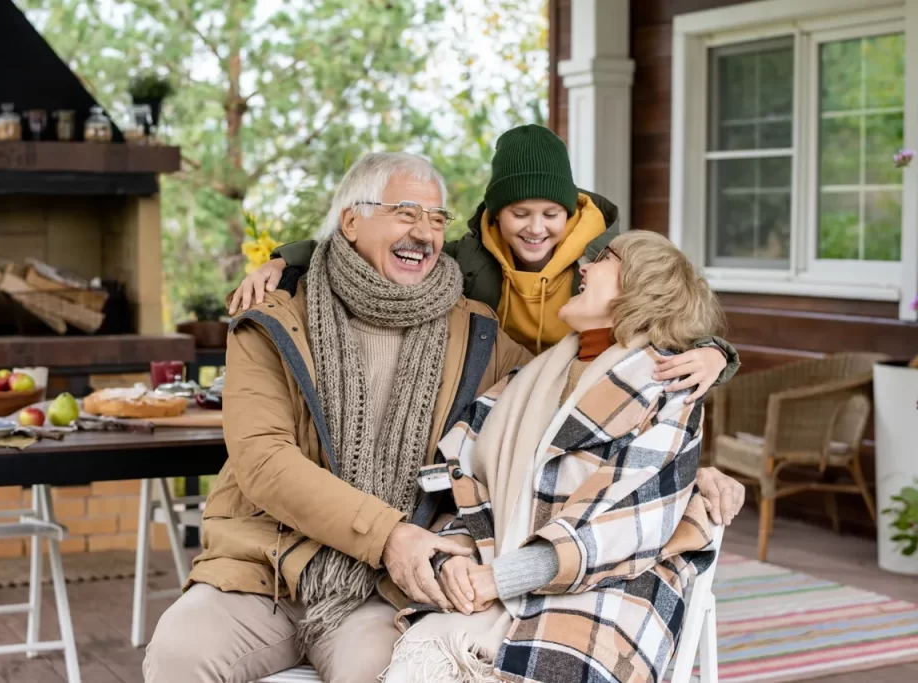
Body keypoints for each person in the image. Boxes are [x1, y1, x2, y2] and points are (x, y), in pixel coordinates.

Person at [144, 153, 744, 683]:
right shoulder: (274, 322)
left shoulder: (476, 332)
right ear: (351, 221)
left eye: (436, 219)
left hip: (386, 587)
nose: (425, 232)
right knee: (179, 654)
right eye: (406, 212)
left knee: (394, 672)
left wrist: (691, 471)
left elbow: (567, 411)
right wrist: (388, 535)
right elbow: (264, 462)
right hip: (266, 571)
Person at [382, 230, 730, 683]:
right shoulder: (531, 377)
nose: (583, 267)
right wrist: (456, 559)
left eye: (603, 258)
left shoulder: (668, 387)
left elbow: (619, 526)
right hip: (494, 569)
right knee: (419, 663)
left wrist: (499, 578)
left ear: (644, 285)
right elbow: (470, 484)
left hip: (615, 585)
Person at [229, 124, 740, 402]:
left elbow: (669, 307)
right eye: (520, 213)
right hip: (506, 401)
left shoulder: (605, 260)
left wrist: (717, 354)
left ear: (571, 210)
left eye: (550, 213)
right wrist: (284, 261)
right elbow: (376, 250)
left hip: (588, 396)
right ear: (497, 215)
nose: (535, 228)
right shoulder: (469, 258)